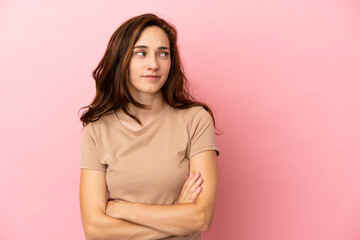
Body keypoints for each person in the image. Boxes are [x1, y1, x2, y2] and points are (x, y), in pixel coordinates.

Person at [79, 13, 220, 240]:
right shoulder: (98, 129)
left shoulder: (195, 120)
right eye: (141, 53)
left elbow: (201, 218)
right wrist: (177, 216)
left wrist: (123, 209)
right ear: (122, 59)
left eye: (163, 53)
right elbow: (95, 230)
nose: (153, 64)